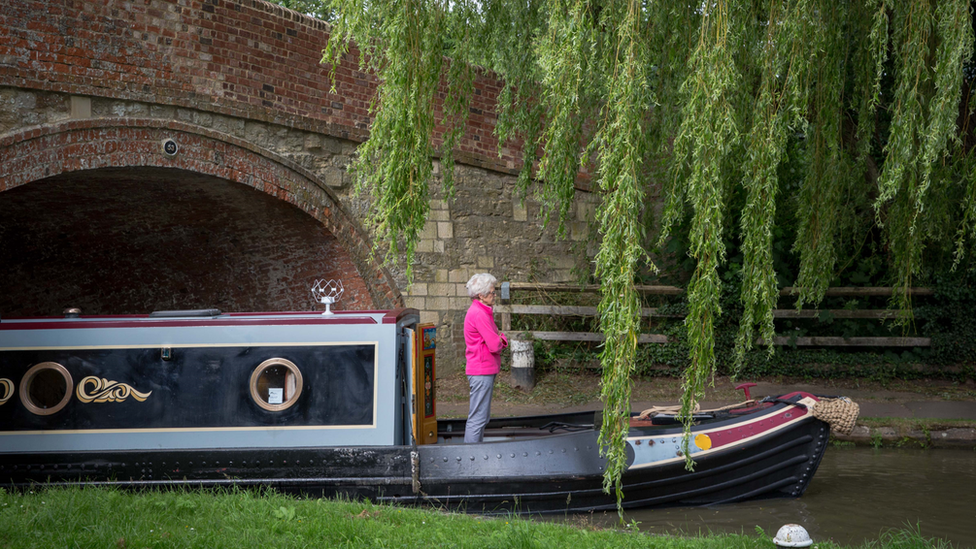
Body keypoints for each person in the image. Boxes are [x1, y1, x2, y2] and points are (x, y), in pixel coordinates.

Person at [463, 272, 508, 443]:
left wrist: (498, 336)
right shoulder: (479, 314)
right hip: (481, 371)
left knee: (481, 417)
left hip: (482, 369)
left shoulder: (480, 311)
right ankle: (470, 458)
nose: (494, 295)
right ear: (480, 295)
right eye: (491, 292)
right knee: (478, 418)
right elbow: (495, 344)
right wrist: (503, 339)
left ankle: (474, 454)